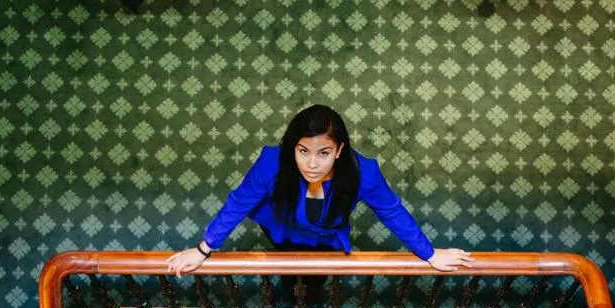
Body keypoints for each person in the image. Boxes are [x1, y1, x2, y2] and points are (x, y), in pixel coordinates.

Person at [165, 105, 474, 280]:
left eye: (323, 153)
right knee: (286, 264)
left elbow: (391, 211)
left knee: (318, 276)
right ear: (293, 147)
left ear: (339, 150)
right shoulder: (272, 162)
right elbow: (238, 203)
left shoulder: (364, 172)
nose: (311, 164)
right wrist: (202, 250)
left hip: (327, 237)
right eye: (303, 151)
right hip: (281, 227)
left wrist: (430, 254)